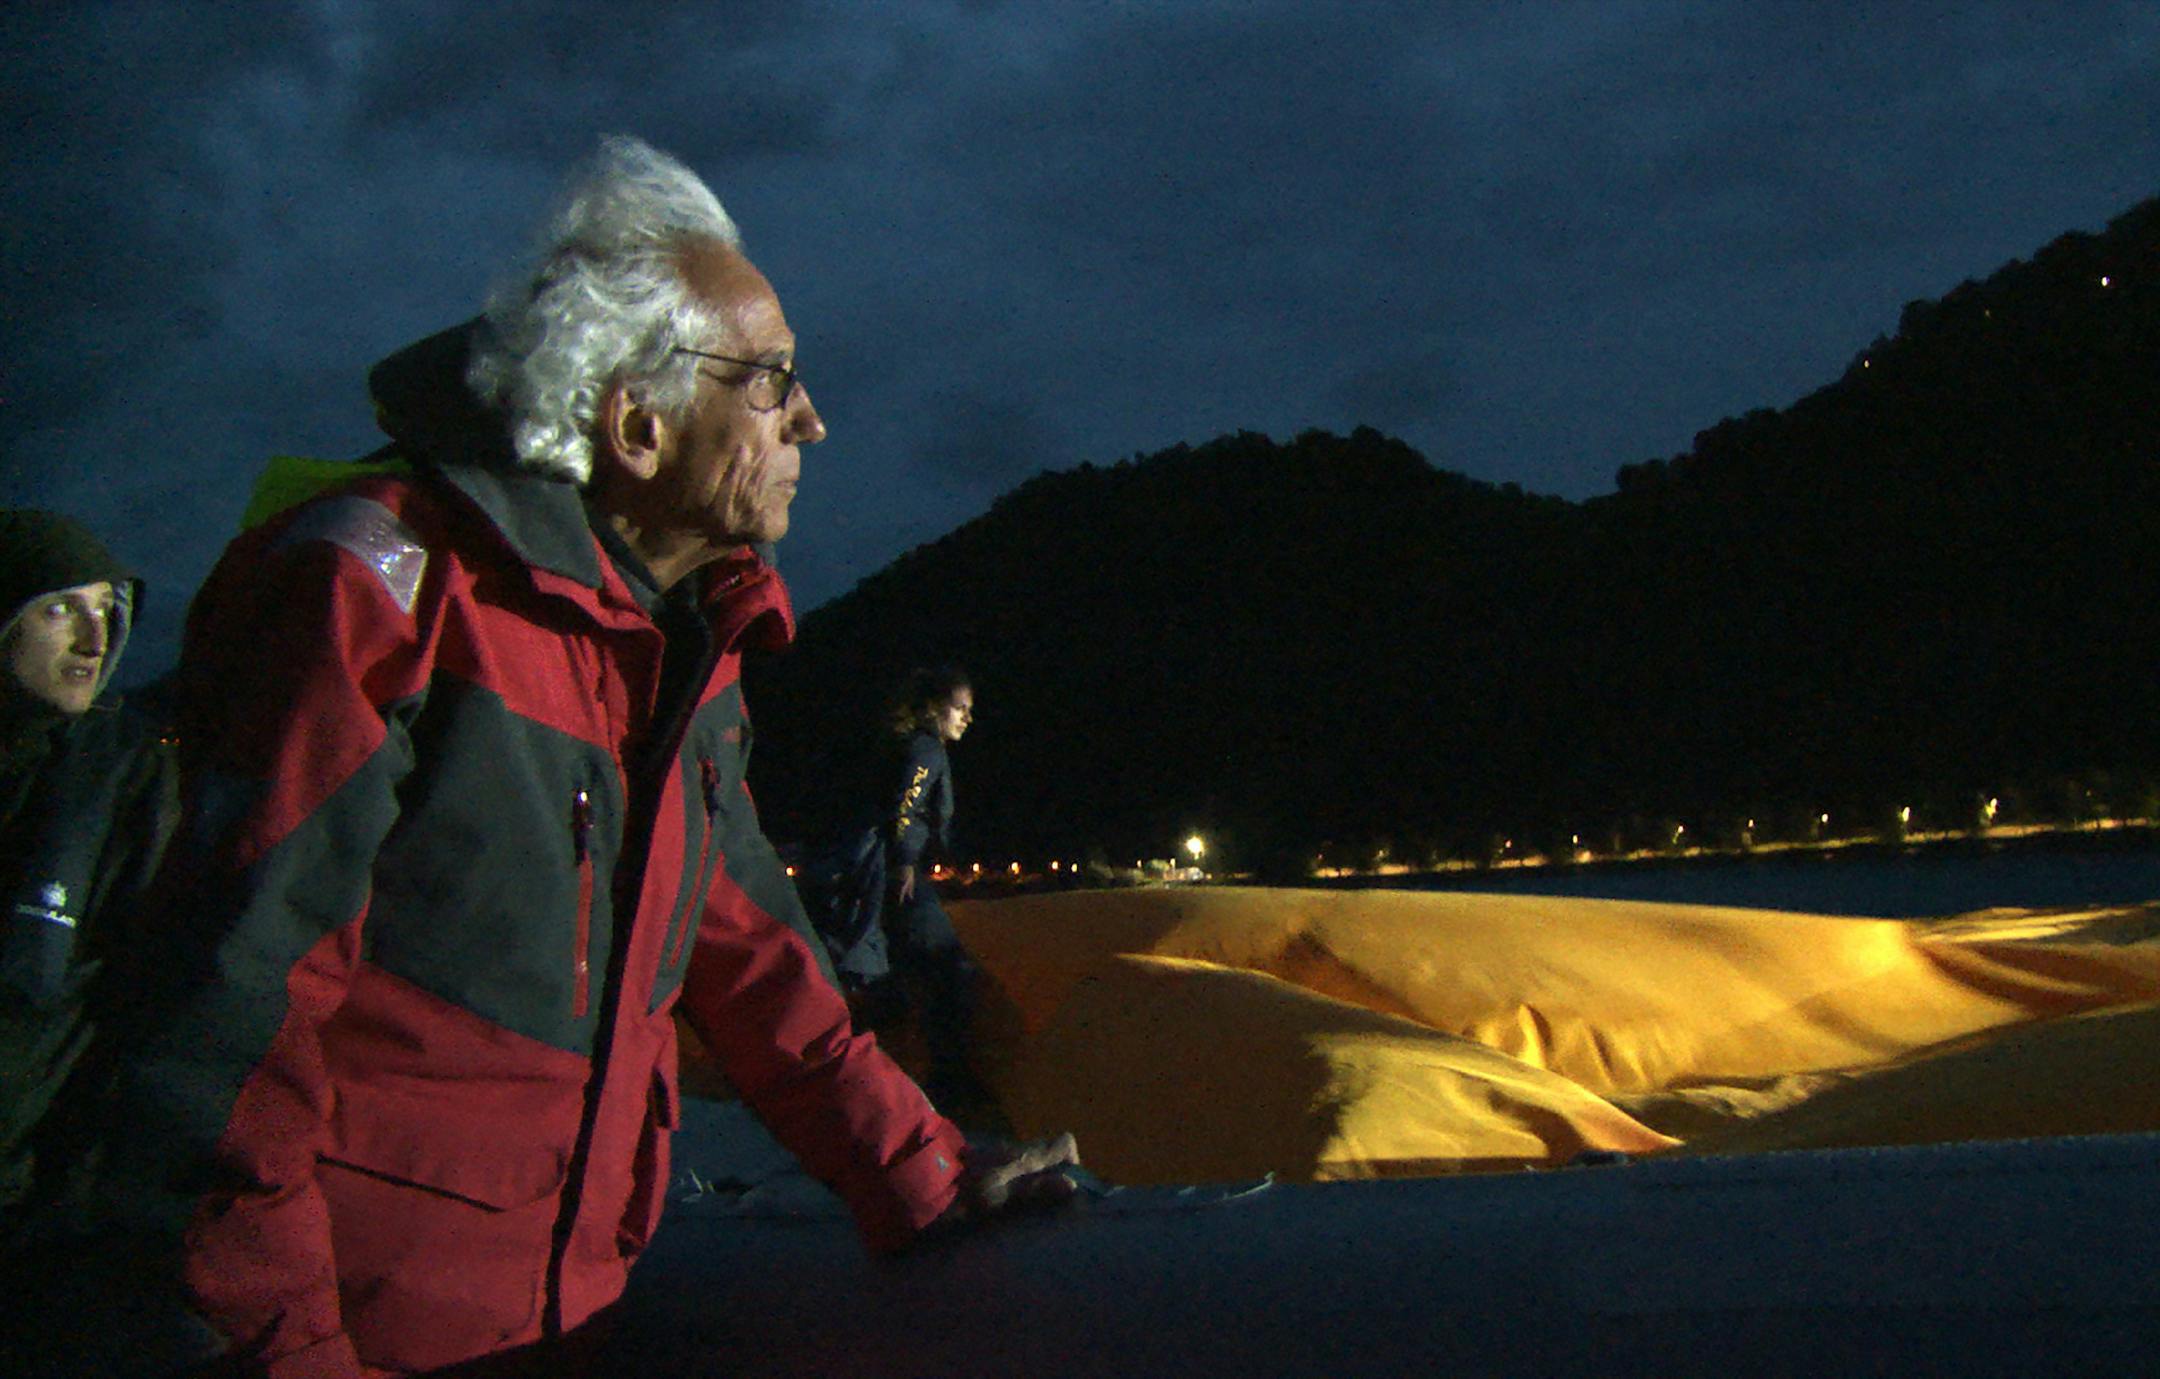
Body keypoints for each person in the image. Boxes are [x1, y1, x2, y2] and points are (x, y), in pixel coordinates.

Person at [72, 136, 1077, 1378]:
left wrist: (924, 1172)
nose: (812, 420)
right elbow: (227, 1018)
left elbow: (754, 957)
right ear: (639, 424)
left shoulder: (684, 654)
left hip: (566, 1312)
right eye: (773, 380)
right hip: (358, 1336)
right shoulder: (380, 592)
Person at [0, 510, 179, 1215]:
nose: (93, 639)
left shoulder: (119, 780)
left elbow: (138, 994)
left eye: (106, 610)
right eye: (59, 609)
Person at [808, 667, 987, 1113]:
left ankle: (862, 1086)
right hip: (895, 872)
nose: (967, 719)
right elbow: (905, 805)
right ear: (934, 708)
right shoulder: (927, 749)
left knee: (893, 982)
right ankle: (950, 1085)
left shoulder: (899, 743)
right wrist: (906, 860)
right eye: (960, 709)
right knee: (951, 967)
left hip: (877, 872)